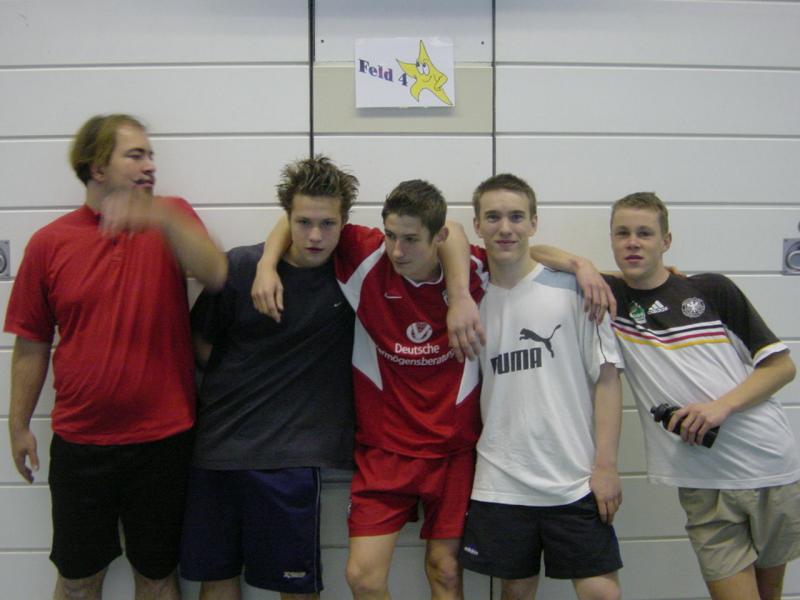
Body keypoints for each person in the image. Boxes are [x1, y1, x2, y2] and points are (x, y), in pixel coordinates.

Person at [251, 178, 615, 600]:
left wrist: (579, 264)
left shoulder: (475, 271)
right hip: (384, 450)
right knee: (363, 578)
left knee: (445, 572)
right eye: (391, 236)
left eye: (410, 240)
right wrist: (265, 265)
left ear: (437, 237)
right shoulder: (365, 259)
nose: (397, 250)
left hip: (453, 452)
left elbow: (517, 249)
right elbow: (302, 215)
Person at [4, 114, 227, 600]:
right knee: (78, 581)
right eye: (135, 155)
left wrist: (161, 218)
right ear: (97, 167)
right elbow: (31, 343)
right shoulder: (49, 243)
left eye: (151, 155)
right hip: (81, 442)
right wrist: (18, 425)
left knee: (157, 577)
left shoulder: (173, 217)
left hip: (164, 440)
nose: (150, 165)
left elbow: (215, 273)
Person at [603, 192, 799, 600]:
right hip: (702, 483)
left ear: (666, 241)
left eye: (644, 233)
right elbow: (542, 257)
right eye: (622, 233)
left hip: (769, 467)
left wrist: (719, 408)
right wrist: (581, 267)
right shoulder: (612, 299)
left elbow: (781, 367)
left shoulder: (711, 289)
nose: (633, 242)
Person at [179, 156, 359, 599]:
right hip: (217, 451)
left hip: (289, 461)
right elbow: (199, 345)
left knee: (295, 589)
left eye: (327, 224)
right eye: (303, 222)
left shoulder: (354, 277)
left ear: (344, 223)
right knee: (216, 580)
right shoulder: (242, 267)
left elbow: (440, 233)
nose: (314, 236)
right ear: (287, 218)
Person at [457, 174, 624, 600]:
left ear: (534, 222)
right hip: (501, 480)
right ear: (477, 225)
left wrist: (606, 466)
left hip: (573, 478)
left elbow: (607, 379)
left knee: (602, 593)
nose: (505, 228)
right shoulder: (470, 301)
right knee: (516, 592)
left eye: (516, 217)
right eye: (493, 217)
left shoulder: (576, 290)